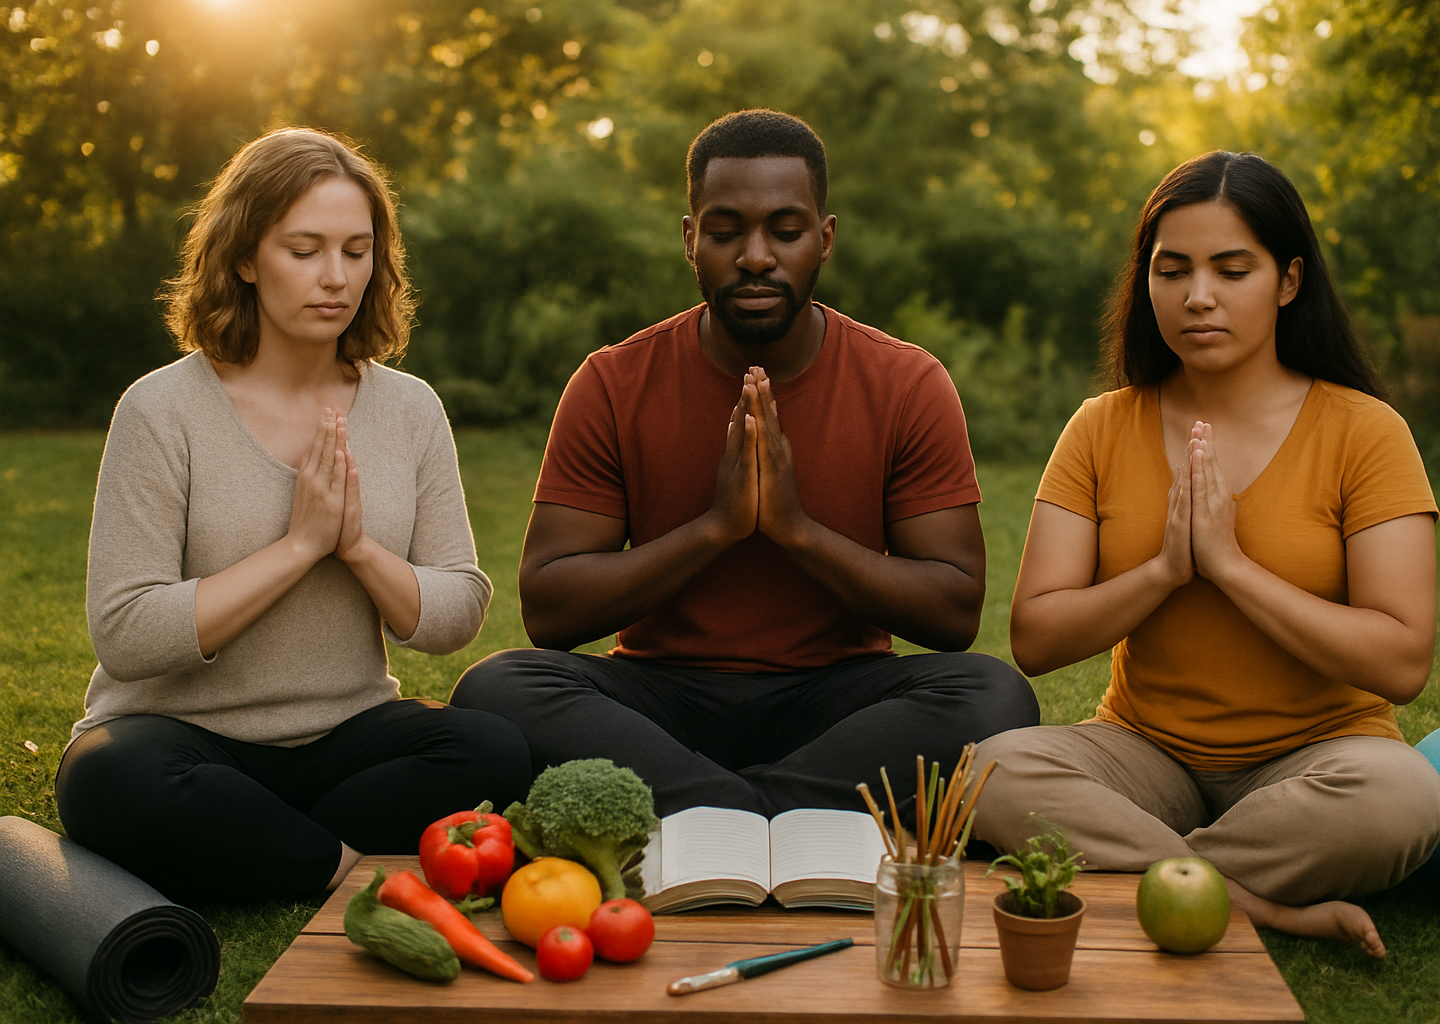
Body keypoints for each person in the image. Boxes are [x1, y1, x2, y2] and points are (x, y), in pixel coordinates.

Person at [451, 109, 1038, 820]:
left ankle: (712, 813)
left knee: (993, 694)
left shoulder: (906, 383)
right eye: (726, 231)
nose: (755, 255)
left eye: (785, 232)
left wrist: (795, 530)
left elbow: (953, 614)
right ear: (691, 239)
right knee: (501, 686)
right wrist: (716, 528)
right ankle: (786, 814)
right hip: (661, 698)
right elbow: (549, 609)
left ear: (824, 240)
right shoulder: (613, 381)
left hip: (839, 701)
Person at [973, 151, 1440, 958]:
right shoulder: (1098, 427)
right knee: (988, 769)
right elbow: (1037, 638)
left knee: (1400, 798)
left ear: (1288, 281)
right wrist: (1164, 570)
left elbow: (1400, 661)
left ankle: (1155, 871)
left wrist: (1230, 567)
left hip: (1318, 759)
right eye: (1172, 270)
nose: (1198, 297)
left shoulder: (1366, 431)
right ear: (1146, 282)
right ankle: (1267, 905)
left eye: (1232, 270)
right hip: (1146, 754)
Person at [54, 128, 531, 903]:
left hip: (347, 735)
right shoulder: (161, 410)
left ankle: (261, 845)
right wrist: (298, 546)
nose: (335, 278)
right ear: (245, 257)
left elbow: (455, 612)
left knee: (496, 747)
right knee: (107, 779)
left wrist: (358, 550)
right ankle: (340, 864)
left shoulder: (410, 410)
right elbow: (128, 631)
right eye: (304, 249)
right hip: (182, 737)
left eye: (356, 250)